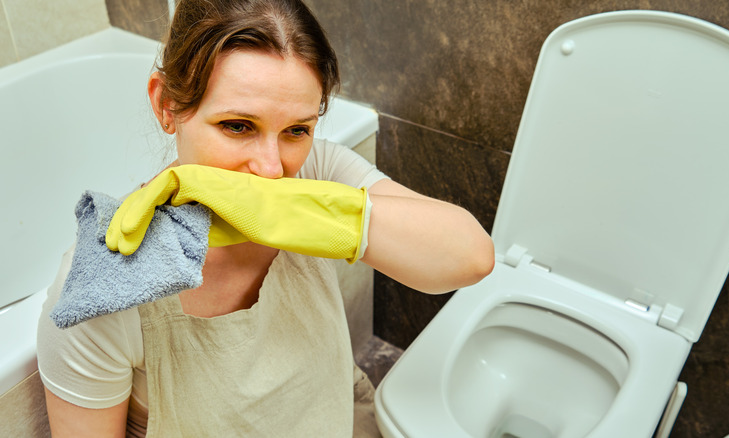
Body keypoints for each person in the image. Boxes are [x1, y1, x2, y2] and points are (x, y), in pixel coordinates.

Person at [37, 0, 495, 436]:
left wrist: (277, 209)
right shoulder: (104, 285)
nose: (272, 169)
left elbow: (470, 257)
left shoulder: (315, 170)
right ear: (166, 105)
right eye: (238, 126)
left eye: (297, 130)